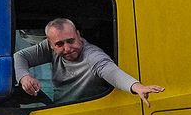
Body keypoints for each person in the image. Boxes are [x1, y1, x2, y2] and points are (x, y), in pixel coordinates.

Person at [14, 18, 165, 105]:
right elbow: (20, 57)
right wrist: (24, 77)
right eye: (59, 44)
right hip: (59, 109)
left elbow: (111, 71)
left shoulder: (92, 55)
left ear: (78, 35)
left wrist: (136, 86)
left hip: (87, 114)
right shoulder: (49, 47)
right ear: (51, 44)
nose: (67, 48)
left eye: (71, 41)